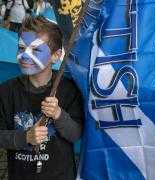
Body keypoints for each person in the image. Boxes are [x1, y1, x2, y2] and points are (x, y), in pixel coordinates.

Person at [0, 16, 83, 180]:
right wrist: (25, 138)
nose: (25, 55)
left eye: (36, 50)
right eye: (21, 48)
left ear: (56, 55)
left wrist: (59, 114)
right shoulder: (6, 91)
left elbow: (75, 134)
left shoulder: (68, 90)